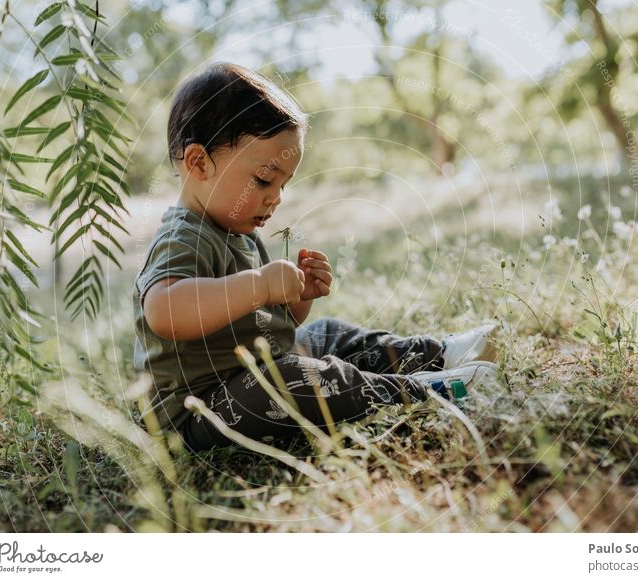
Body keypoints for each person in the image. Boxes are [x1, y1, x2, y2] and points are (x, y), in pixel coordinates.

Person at [132, 62, 500, 453]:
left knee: (326, 334)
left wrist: (296, 299)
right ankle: (423, 391)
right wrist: (259, 285)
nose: (275, 197)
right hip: (200, 410)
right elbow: (165, 312)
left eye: (283, 185)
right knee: (288, 380)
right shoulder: (182, 237)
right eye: (263, 180)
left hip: (252, 371)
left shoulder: (241, 234)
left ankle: (437, 355)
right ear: (199, 163)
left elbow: (274, 326)